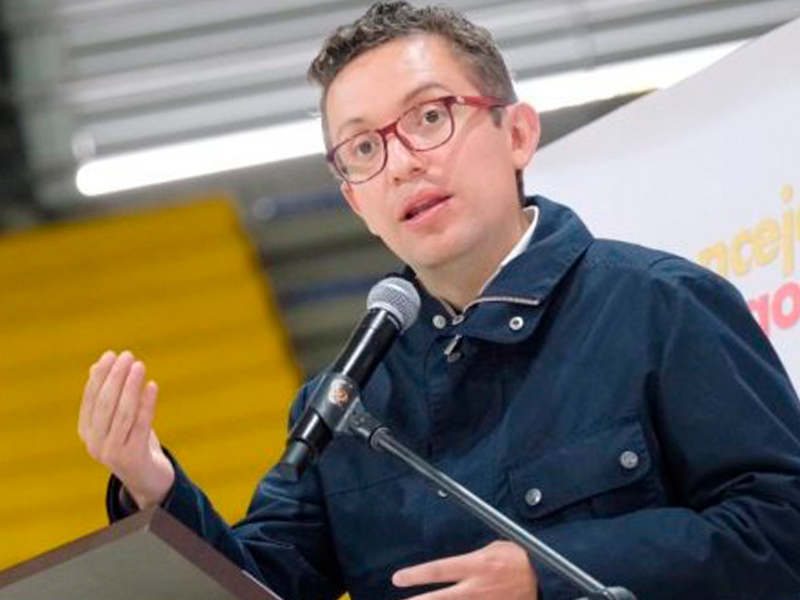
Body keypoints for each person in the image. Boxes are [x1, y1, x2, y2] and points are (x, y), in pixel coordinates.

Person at [78, 2, 800, 599]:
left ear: (518, 133)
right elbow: (261, 586)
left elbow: (782, 532)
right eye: (363, 150)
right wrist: (154, 485)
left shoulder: (660, 308)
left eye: (429, 117)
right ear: (356, 202)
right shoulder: (345, 404)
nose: (400, 164)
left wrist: (546, 576)